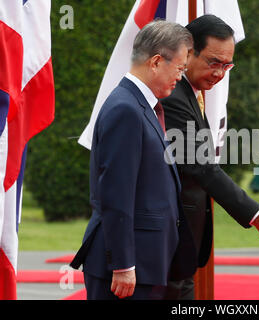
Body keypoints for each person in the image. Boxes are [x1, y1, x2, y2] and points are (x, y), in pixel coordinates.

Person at [161, 15, 259, 300]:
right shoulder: (173, 96)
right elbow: (202, 168)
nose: (220, 74)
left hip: (183, 243)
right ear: (188, 52)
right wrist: (257, 215)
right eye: (213, 62)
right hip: (167, 239)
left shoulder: (190, 93)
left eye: (227, 65)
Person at [70, 20, 197, 300]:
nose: (180, 77)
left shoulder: (142, 106)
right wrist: (123, 263)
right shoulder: (126, 109)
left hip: (147, 263)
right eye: (179, 68)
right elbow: (116, 193)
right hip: (128, 268)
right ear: (155, 62)